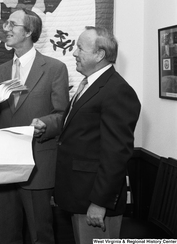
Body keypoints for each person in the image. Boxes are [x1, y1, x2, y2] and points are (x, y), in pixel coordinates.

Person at [0, 8, 69, 244]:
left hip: (38, 167)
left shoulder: (55, 69)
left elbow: (62, 115)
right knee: (6, 235)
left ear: (29, 31)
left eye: (12, 24)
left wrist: (46, 124)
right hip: (5, 168)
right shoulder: (0, 72)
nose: (5, 28)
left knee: (41, 234)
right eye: (6, 23)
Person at [54, 26, 141, 243]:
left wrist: (100, 202)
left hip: (95, 202)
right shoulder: (90, 85)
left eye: (80, 48)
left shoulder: (117, 91)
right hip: (79, 195)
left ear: (99, 54)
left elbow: (116, 154)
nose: (74, 53)